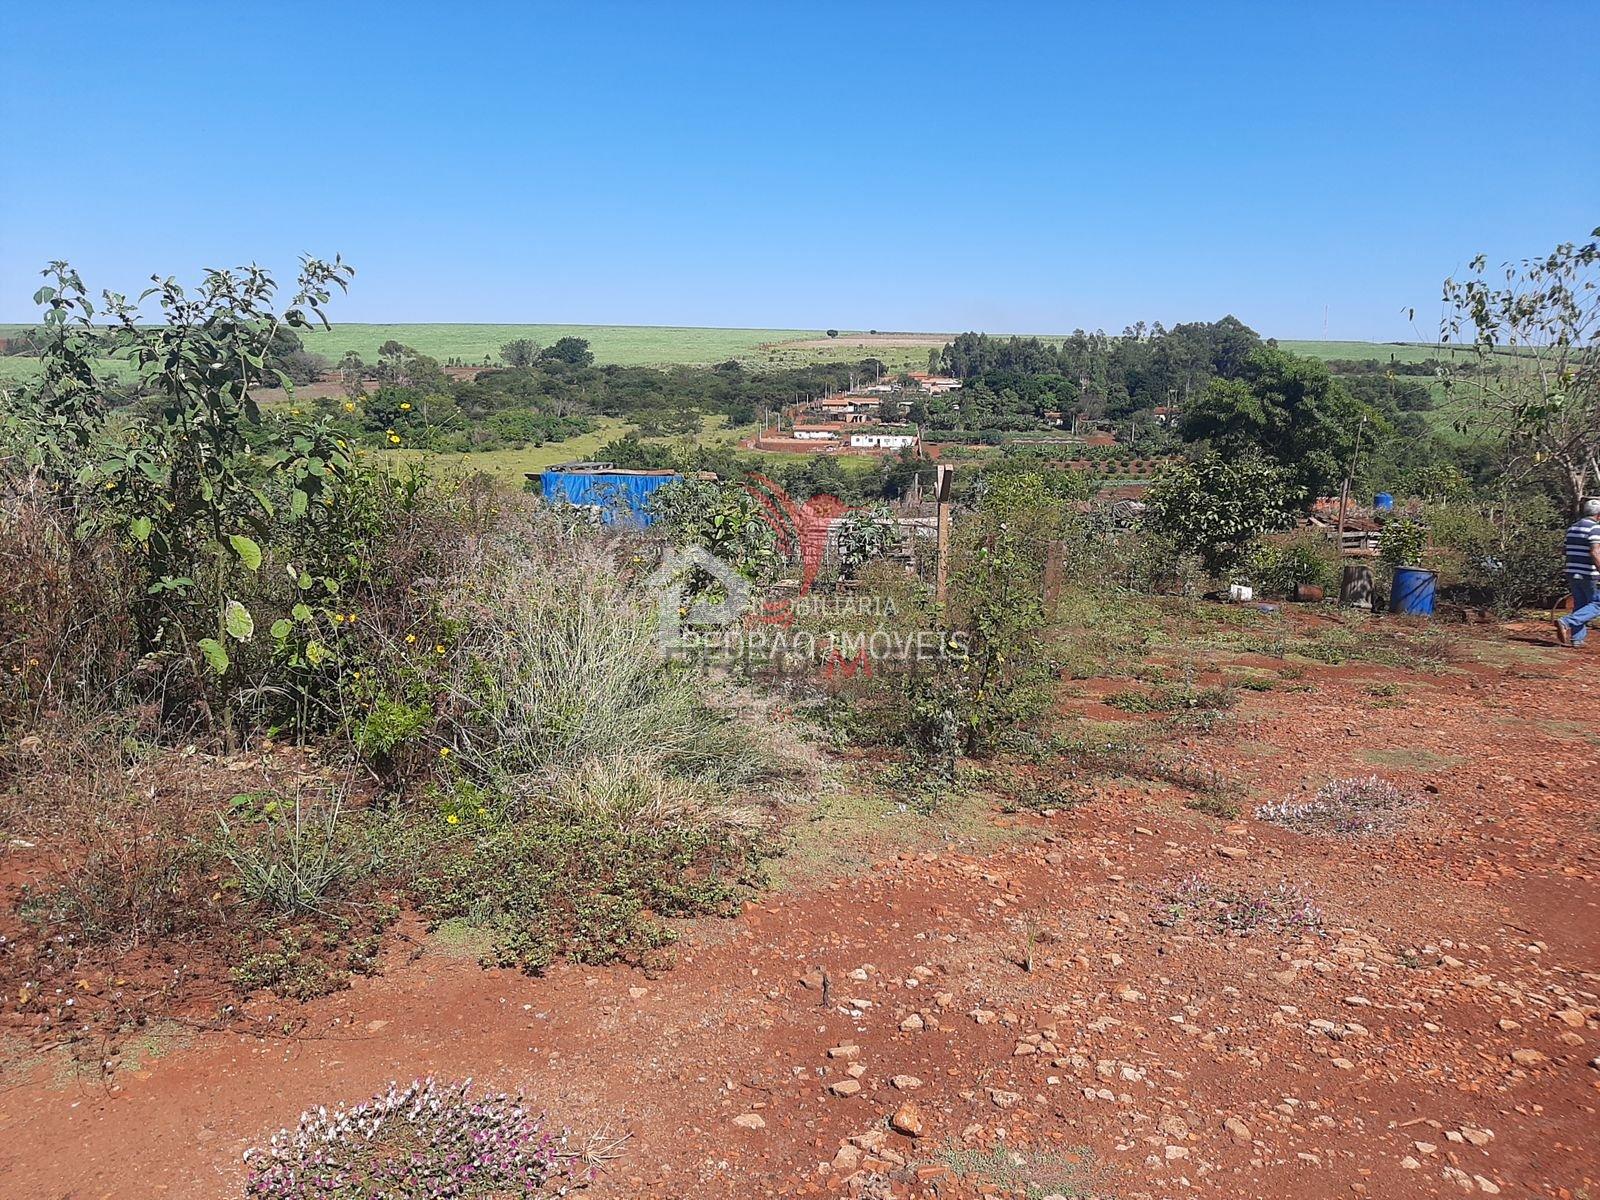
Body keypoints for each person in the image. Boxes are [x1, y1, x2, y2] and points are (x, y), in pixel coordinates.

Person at [1555, 497, 1600, 647]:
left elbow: (1564, 550)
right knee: (1597, 603)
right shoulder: (1595, 528)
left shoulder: (1572, 528)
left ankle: (1577, 639)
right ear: (1598, 515)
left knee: (1580, 604)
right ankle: (1566, 622)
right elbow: (1595, 551)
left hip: (1572, 571)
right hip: (1588, 573)